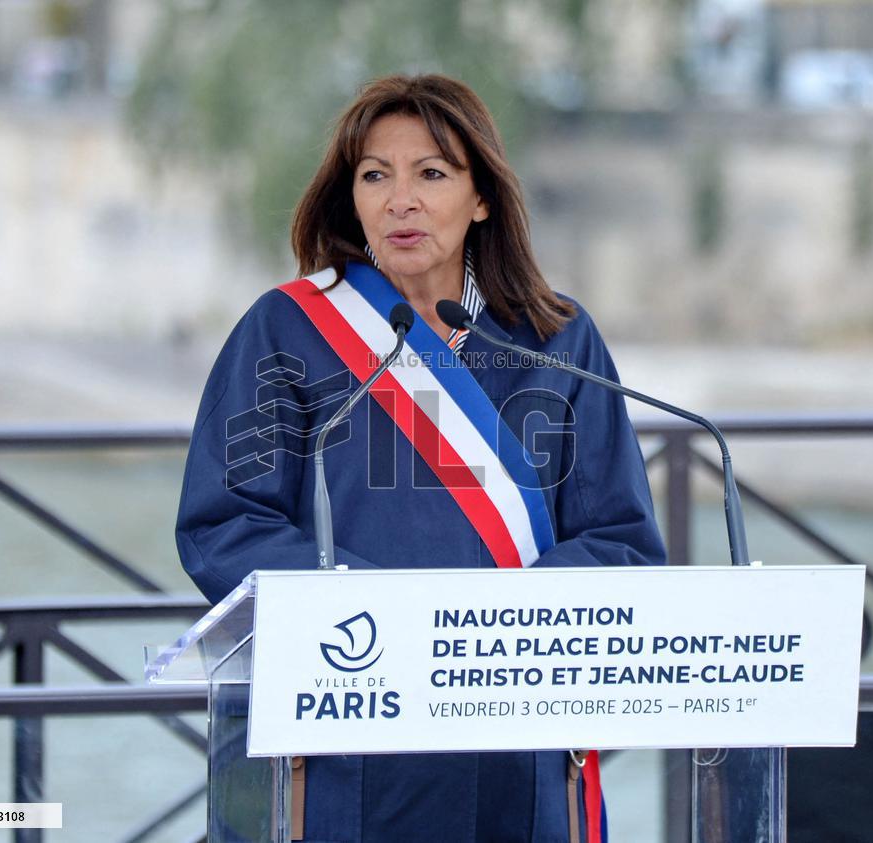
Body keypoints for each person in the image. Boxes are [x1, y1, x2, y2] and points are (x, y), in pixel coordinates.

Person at [177, 73, 666, 843]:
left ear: (482, 198)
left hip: (515, 743)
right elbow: (225, 521)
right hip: (343, 741)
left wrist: (487, 630)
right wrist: (380, 616)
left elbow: (621, 541)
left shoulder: (558, 340)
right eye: (375, 176)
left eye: (431, 173)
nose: (399, 200)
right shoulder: (285, 331)